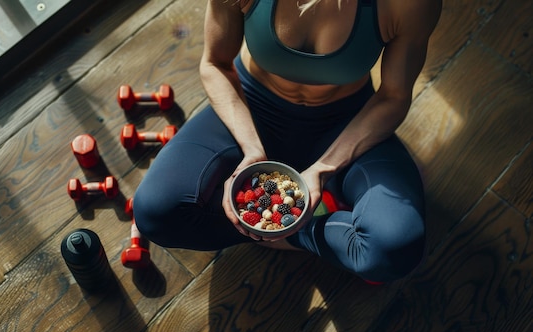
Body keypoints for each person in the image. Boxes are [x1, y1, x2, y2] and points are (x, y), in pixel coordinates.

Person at [132, 0, 441, 283]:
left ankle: (303, 219)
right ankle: (298, 231)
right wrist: (251, 149)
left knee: (394, 249)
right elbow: (214, 64)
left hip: (345, 124)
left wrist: (322, 170)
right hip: (253, 112)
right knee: (155, 213)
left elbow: (393, 96)